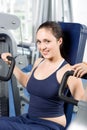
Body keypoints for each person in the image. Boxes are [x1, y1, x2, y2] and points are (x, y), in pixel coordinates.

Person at [0, 21, 86, 130]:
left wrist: (86, 66)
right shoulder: (39, 61)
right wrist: (10, 64)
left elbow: (83, 102)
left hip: (50, 125)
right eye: (39, 42)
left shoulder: (67, 70)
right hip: (28, 119)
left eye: (47, 41)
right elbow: (27, 82)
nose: (42, 47)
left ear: (59, 41)